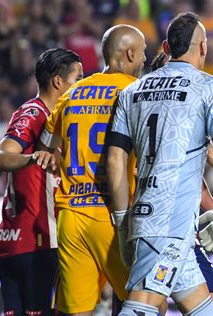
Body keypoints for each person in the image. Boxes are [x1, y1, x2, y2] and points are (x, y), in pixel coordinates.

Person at [106, 12, 213, 316]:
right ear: (203, 48)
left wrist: (123, 220)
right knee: (143, 306)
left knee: (209, 310)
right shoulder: (210, 87)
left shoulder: (132, 91)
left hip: (147, 217)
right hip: (170, 224)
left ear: (165, 46)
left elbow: (115, 158)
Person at [39, 25, 146, 315]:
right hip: (115, 216)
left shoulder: (73, 93)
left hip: (72, 215)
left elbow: (47, 143)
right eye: (144, 52)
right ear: (131, 53)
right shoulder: (135, 91)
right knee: (144, 303)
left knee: (76, 311)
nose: (145, 58)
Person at [0, 48, 83, 315]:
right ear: (58, 82)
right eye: (77, 79)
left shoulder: (59, 118)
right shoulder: (34, 112)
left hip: (18, 240)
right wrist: (33, 158)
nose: (80, 87)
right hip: (35, 240)